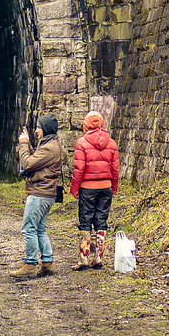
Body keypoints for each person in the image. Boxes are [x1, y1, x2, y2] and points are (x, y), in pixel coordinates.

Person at [9, 113, 63, 278]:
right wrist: (30, 147)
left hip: (39, 193)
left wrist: (24, 145)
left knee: (29, 228)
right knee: (39, 228)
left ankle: (30, 264)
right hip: (46, 192)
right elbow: (36, 161)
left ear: (45, 129)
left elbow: (28, 164)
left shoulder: (49, 147)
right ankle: (47, 262)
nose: (36, 131)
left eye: (39, 127)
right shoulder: (49, 145)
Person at [69, 111, 120, 270]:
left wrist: (74, 188)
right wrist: (114, 187)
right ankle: (98, 258)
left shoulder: (82, 142)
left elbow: (79, 169)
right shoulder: (111, 143)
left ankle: (84, 259)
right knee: (101, 221)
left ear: (86, 125)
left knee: (85, 221)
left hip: (88, 188)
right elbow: (115, 169)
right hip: (105, 187)